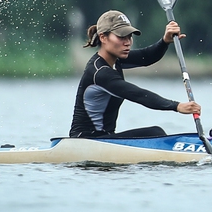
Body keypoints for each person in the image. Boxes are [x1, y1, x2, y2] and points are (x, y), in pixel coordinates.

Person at [69, 10, 201, 138]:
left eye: (129, 36)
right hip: (85, 140)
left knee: (155, 133)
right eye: (121, 37)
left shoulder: (116, 60)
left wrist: (165, 41)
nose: (127, 42)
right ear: (103, 37)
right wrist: (177, 106)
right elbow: (138, 95)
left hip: (105, 138)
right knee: (155, 132)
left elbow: (146, 57)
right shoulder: (100, 72)